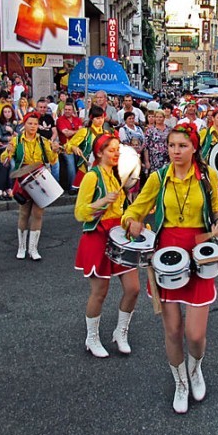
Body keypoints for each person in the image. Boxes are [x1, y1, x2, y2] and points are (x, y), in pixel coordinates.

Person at [121, 123, 218, 414]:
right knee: (173, 330)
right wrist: (131, 221)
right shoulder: (158, 178)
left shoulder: (207, 176)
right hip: (167, 257)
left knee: (195, 334)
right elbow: (134, 209)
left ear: (194, 148)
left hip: (200, 256)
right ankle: (180, 382)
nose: (175, 151)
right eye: (171, 146)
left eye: (182, 146)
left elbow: (216, 209)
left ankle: (195, 369)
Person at [74, 134, 140, 357]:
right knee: (99, 292)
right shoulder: (92, 176)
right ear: (99, 152)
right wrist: (102, 201)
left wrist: (132, 220)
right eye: (111, 150)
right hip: (98, 235)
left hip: (118, 235)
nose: (116, 153)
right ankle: (92, 338)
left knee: (133, 289)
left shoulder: (117, 175)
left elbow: (121, 210)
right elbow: (79, 213)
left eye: (117, 149)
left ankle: (121, 332)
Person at [1, 111, 59, 261]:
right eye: (30, 123)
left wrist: (54, 151)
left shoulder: (43, 141)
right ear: (24, 125)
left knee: (38, 213)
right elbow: (4, 160)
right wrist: (8, 152)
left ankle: (33, 249)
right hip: (23, 178)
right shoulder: (17, 140)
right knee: (24, 213)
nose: (33, 126)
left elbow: (52, 160)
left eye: (35, 124)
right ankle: (22, 247)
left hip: (40, 177)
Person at [65, 105, 106, 190]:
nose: (100, 120)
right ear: (91, 118)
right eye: (97, 118)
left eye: (102, 118)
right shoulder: (85, 131)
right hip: (86, 166)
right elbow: (68, 145)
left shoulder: (106, 133)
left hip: (102, 166)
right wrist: (74, 148)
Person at [56, 101, 83, 193]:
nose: (67, 111)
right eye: (66, 109)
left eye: (69, 110)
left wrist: (73, 132)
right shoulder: (60, 120)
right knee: (71, 166)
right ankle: (72, 187)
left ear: (73, 111)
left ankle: (80, 186)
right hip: (66, 147)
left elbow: (82, 133)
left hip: (78, 146)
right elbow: (66, 133)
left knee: (81, 166)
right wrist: (77, 131)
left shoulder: (77, 119)